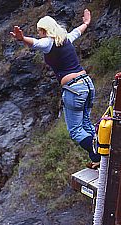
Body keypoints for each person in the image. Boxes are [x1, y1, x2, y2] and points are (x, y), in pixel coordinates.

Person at [10, 9, 101, 169]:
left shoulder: (49, 42)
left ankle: (97, 155)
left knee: (75, 130)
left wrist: (22, 38)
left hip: (74, 89)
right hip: (87, 84)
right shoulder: (65, 39)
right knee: (86, 123)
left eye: (40, 32)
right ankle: (100, 154)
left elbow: (37, 43)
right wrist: (86, 23)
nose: (39, 35)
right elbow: (77, 32)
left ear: (44, 31)